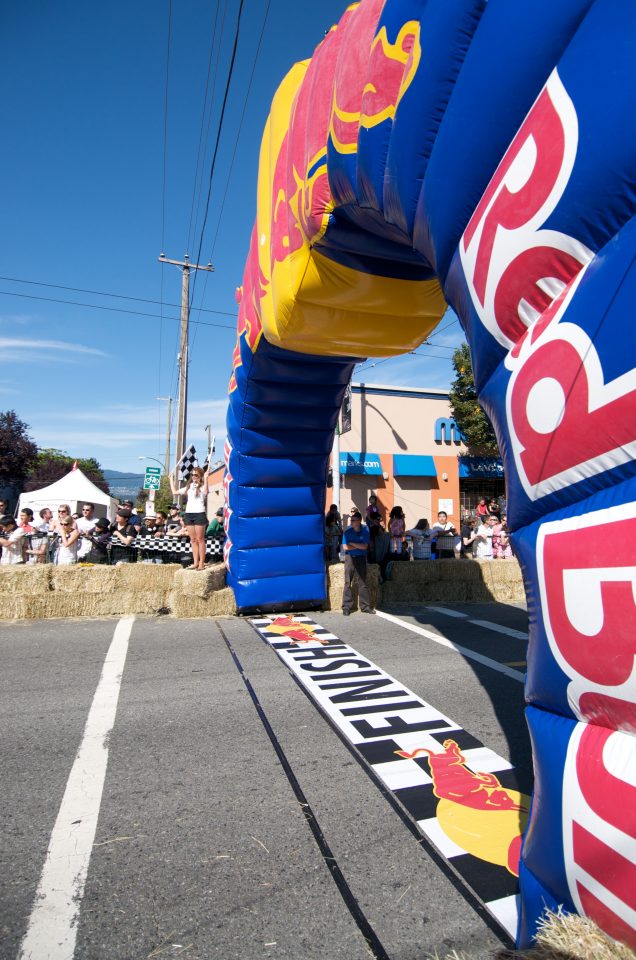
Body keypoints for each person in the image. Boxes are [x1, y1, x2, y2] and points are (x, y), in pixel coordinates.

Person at [170, 466, 209, 570]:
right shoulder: (188, 486)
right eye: (192, 474)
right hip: (188, 514)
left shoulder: (202, 486)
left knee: (200, 539)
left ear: (200, 476)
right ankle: (195, 562)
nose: (193, 476)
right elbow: (175, 492)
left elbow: (205, 492)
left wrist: (206, 478)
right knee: (193, 539)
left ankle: (202, 562)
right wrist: (170, 479)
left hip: (199, 513)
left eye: (196, 475)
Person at [341, 510, 373, 615]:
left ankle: (365, 606)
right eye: (351, 520)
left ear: (359, 521)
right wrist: (358, 545)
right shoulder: (347, 532)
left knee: (362, 582)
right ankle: (346, 607)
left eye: (353, 520)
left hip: (361, 558)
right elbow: (345, 547)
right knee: (347, 582)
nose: (351, 521)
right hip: (349, 557)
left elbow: (365, 546)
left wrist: (352, 544)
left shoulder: (365, 531)